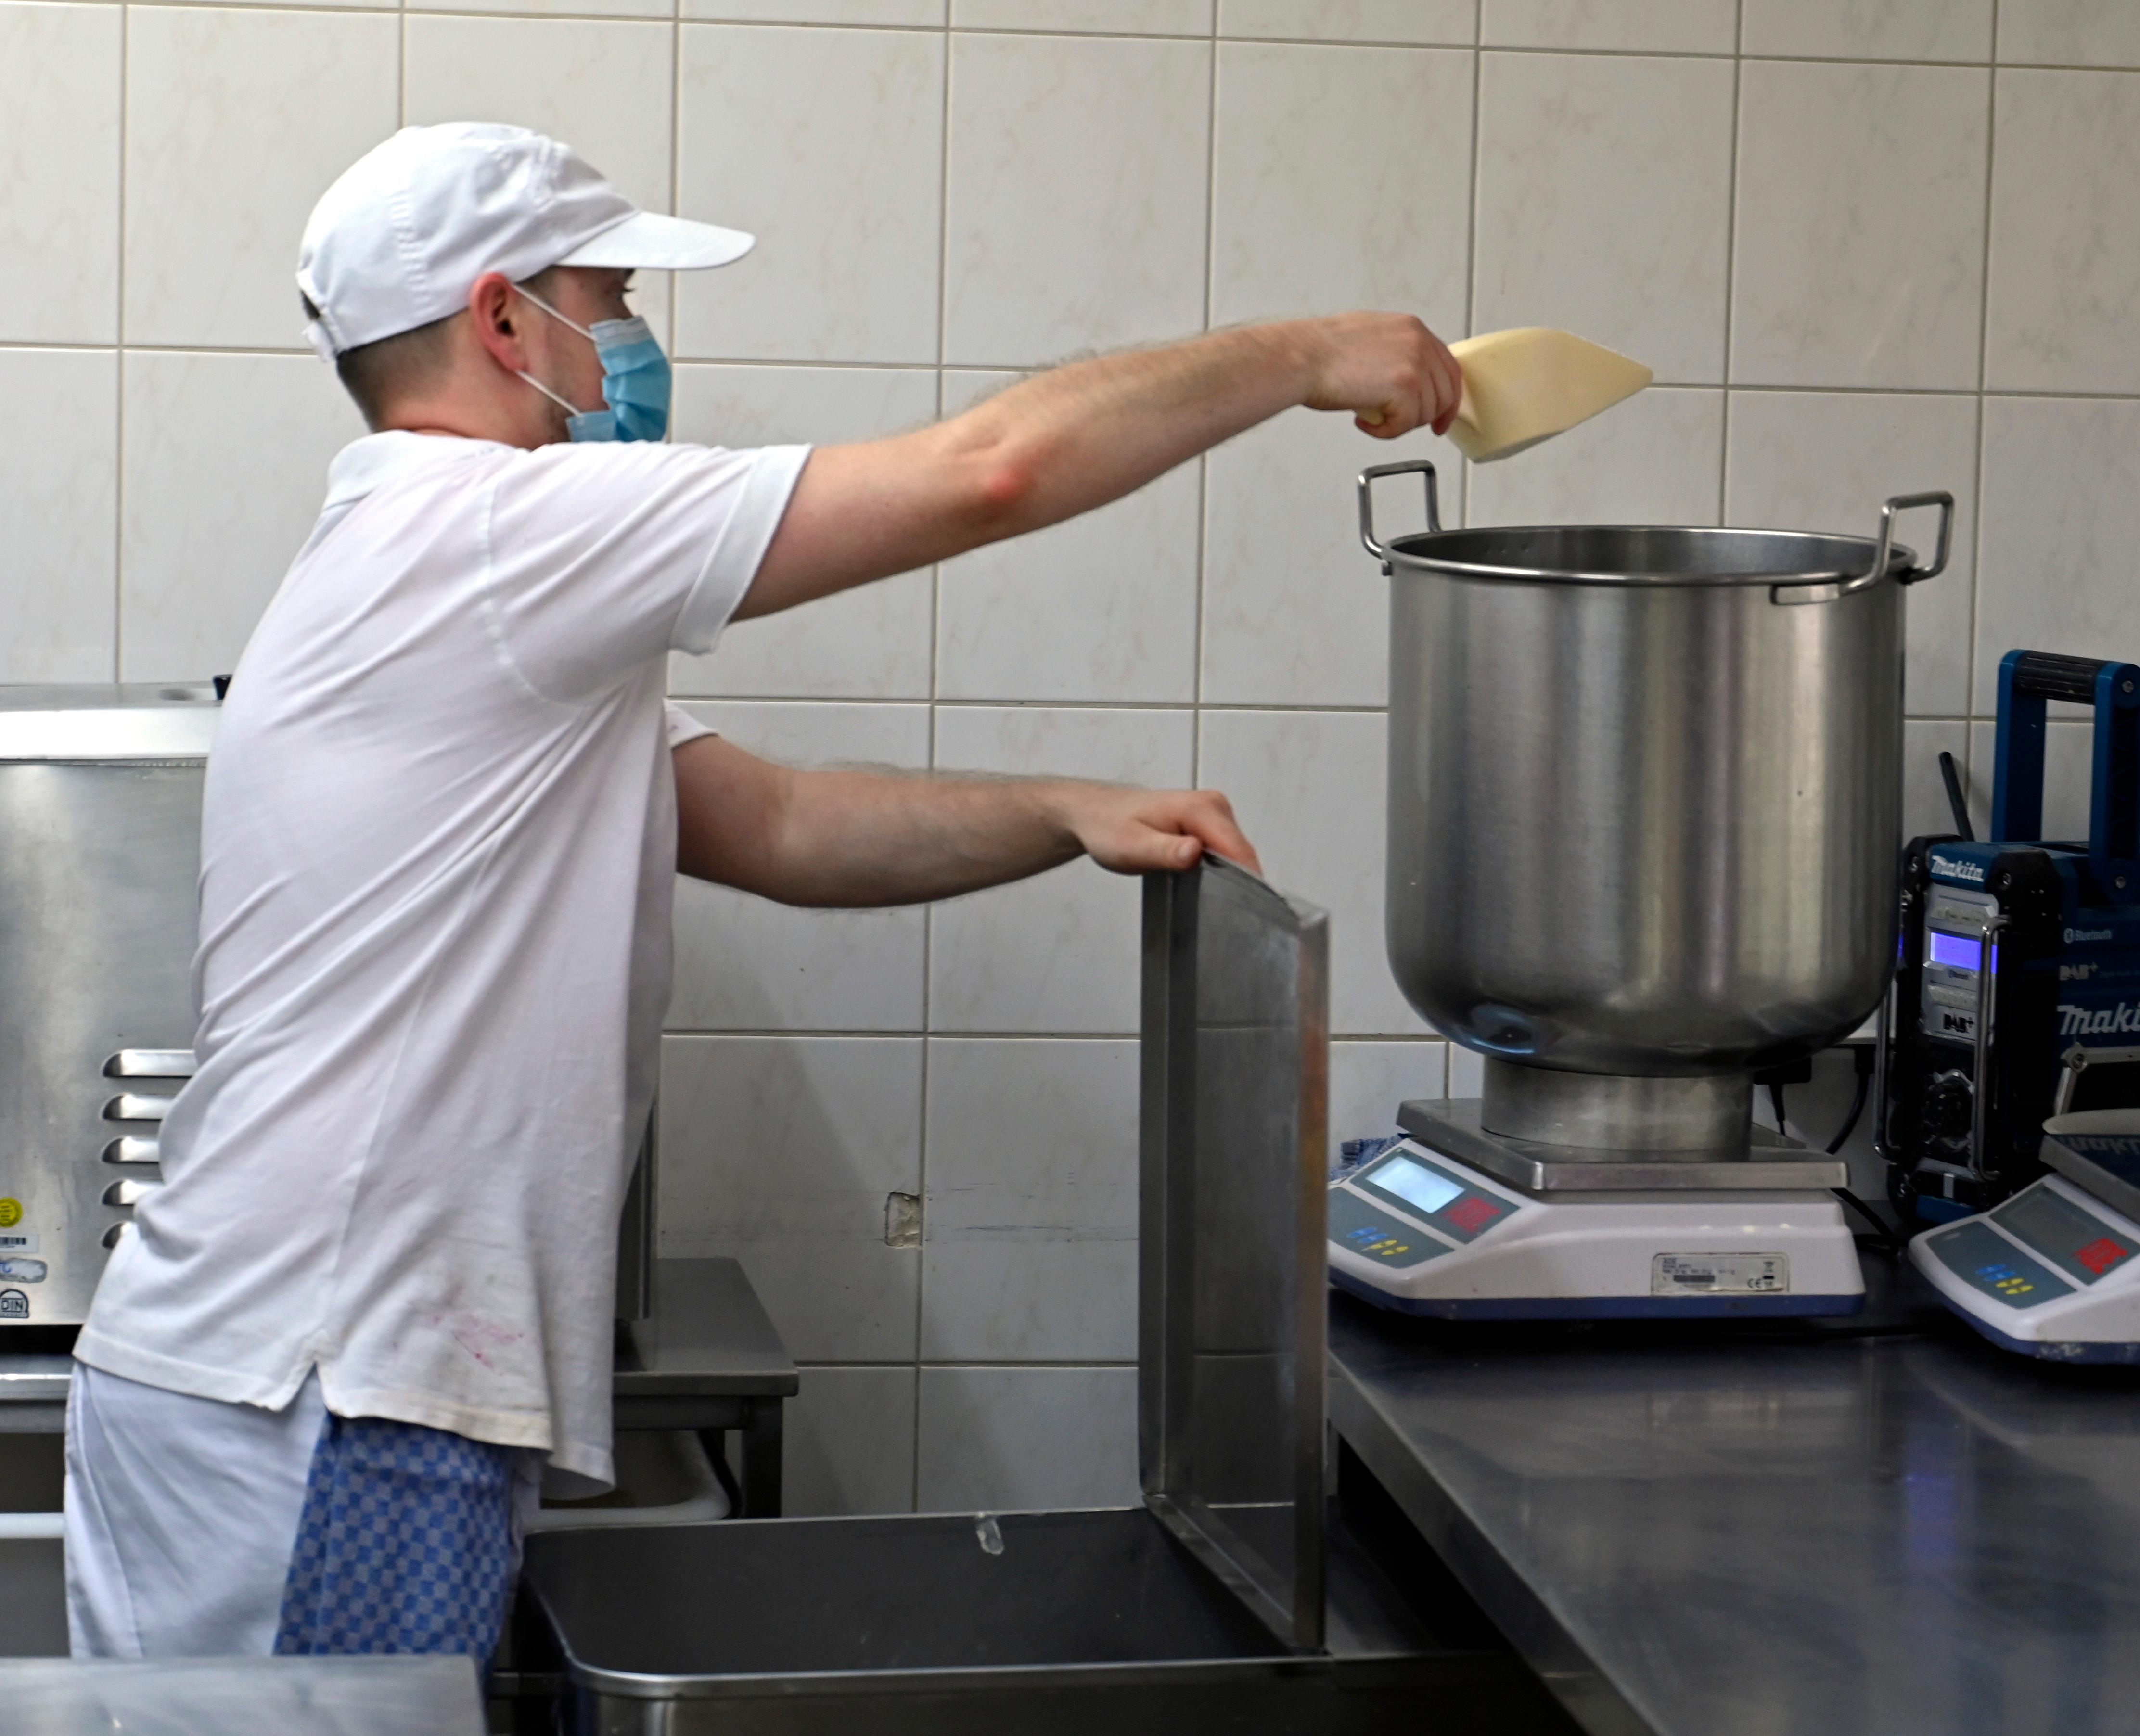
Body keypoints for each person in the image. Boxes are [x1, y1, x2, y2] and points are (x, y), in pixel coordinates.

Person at [61, 122, 1461, 1663]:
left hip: (288, 1376)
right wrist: (1305, 355)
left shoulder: (463, 595)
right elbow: (989, 473)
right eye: (610, 299)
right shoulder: (489, 534)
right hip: (329, 1387)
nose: (635, 339)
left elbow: (784, 828)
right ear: (502, 320)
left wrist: (1063, 814)